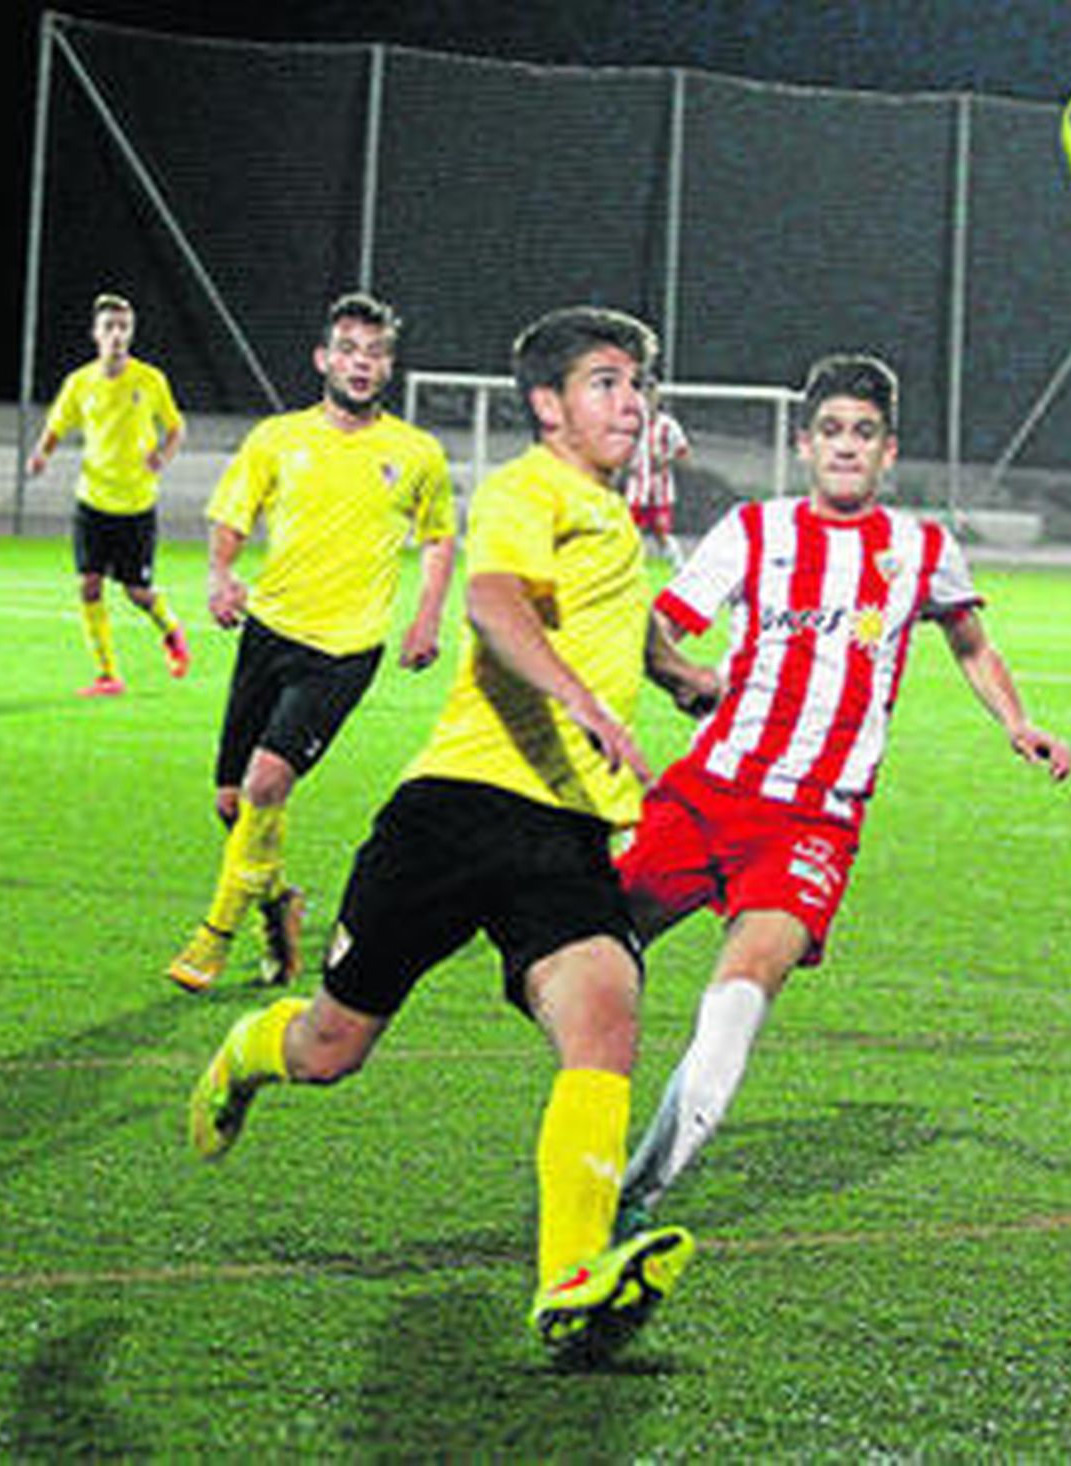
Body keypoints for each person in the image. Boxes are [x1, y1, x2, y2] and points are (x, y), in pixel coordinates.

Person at [186, 306, 714, 1366]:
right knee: (330, 1050)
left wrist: (677, 675)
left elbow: (610, 620)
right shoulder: (526, 489)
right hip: (457, 810)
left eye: (636, 385)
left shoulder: (613, 520)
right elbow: (492, 603)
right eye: (605, 383)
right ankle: (244, 1054)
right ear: (547, 404)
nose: (629, 403)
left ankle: (570, 1280)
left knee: (605, 1013)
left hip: (566, 833)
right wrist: (583, 702)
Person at [611, 353, 1071, 1237]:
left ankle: (636, 1198)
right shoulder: (752, 531)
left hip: (815, 822)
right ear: (804, 444)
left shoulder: (922, 549)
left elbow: (971, 642)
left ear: (888, 451)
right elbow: (657, 628)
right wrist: (681, 676)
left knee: (744, 989)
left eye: (864, 433)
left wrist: (1018, 722)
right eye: (831, 431)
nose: (847, 447)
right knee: (588, 950)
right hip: (709, 792)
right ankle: (585, 1133)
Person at [166, 293, 457, 992]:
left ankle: (214, 936)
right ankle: (278, 905)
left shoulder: (416, 453)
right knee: (233, 803)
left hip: (344, 650)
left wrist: (427, 617)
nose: (362, 364)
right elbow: (232, 514)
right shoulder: (276, 438)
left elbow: (439, 537)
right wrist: (220, 574)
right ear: (323, 359)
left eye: (376, 353)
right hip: (268, 633)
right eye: (349, 350)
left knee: (268, 782)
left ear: (388, 367)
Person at [27, 293, 190, 697]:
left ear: (130, 333)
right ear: (96, 333)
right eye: (109, 327)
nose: (117, 334)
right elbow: (56, 426)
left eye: (123, 327)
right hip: (93, 501)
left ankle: (171, 630)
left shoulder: (150, 380)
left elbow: (176, 427)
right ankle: (107, 674)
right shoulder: (80, 383)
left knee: (137, 593)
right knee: (89, 585)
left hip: (136, 504)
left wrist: (162, 455)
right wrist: (41, 455)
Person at [625, 406, 690, 566]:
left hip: (661, 488)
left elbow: (684, 452)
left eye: (652, 396)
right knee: (630, 529)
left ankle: (677, 565)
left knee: (662, 529)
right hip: (637, 488)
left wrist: (666, 459)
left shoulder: (668, 425)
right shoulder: (632, 423)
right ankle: (630, 565)